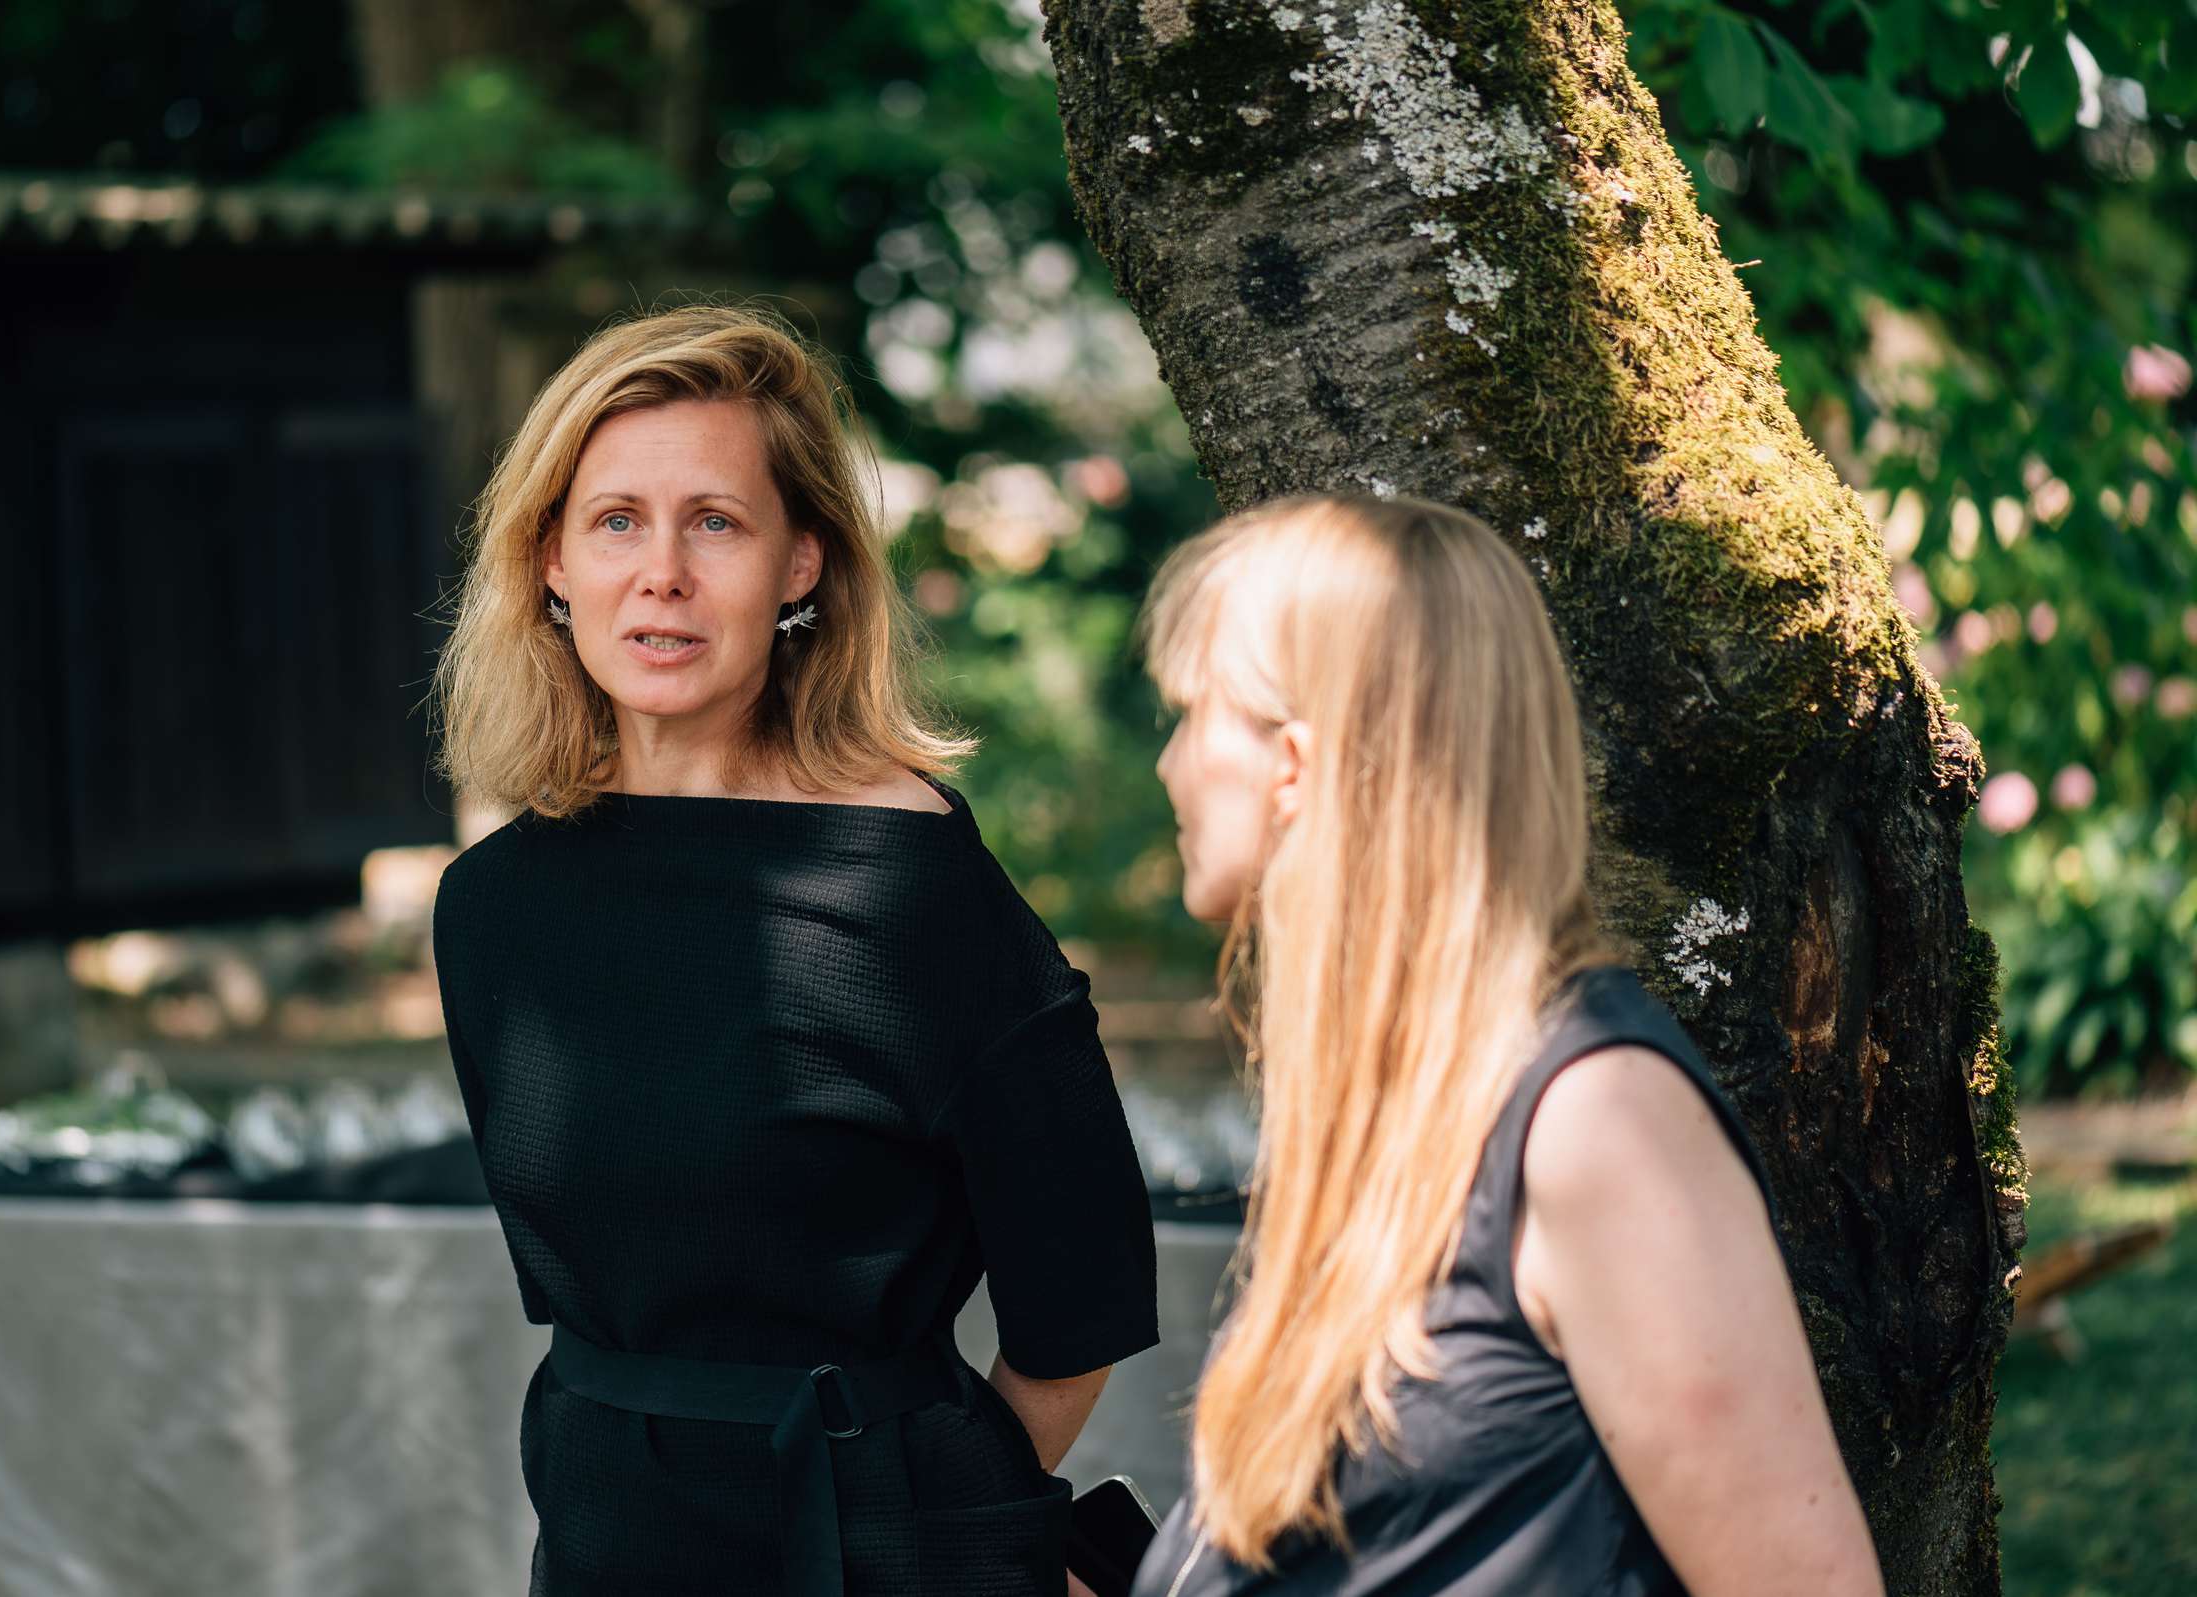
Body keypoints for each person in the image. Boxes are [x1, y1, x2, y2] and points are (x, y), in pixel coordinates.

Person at [430, 303, 1158, 1597]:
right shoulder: (491, 907)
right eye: (616, 521)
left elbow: (1079, 1295)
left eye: (716, 522)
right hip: (606, 1550)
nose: (662, 572)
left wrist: (950, 1531)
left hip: (883, 1551)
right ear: (551, 563)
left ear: (802, 564)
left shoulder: (910, 884)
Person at [1125, 494, 1882, 1597]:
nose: (1169, 764)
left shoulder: (1597, 1126)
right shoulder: (1402, 1107)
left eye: (1192, 714)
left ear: (1293, 765)